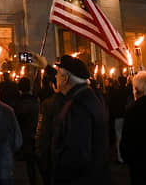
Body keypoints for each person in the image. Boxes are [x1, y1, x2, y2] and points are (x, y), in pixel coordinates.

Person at [39, 56, 110, 185]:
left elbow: (76, 153)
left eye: (59, 75)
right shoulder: (90, 97)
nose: (56, 78)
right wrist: (46, 68)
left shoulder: (78, 107)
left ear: (65, 79)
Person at [14, 77, 40, 185]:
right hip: (34, 133)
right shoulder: (35, 101)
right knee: (32, 163)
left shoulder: (18, 103)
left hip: (23, 134)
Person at [107, 75, 131, 163]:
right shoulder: (127, 90)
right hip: (126, 115)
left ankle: (121, 157)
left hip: (118, 116)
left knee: (119, 137)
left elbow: (110, 96)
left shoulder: (115, 92)